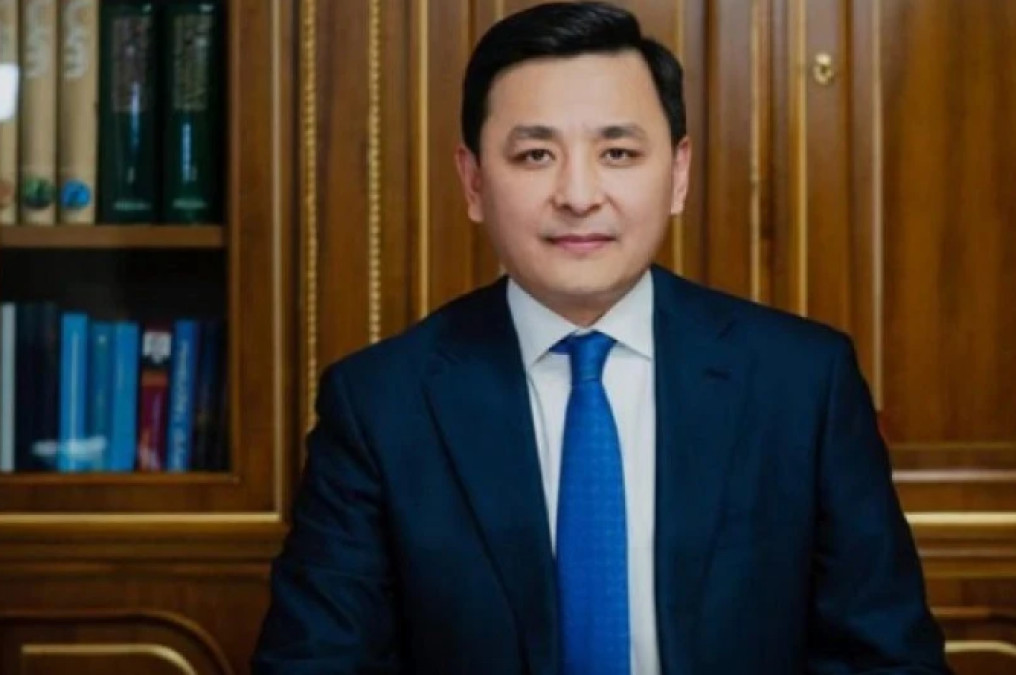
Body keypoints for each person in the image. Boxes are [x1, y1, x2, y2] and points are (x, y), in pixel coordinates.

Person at [252, 2, 949, 673]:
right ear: (473, 182)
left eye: (617, 152)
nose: (579, 195)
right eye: (535, 155)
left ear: (678, 174)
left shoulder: (803, 384)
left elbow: (887, 658)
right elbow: (315, 660)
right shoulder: (379, 406)